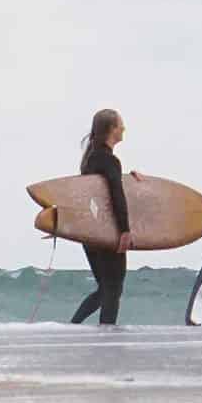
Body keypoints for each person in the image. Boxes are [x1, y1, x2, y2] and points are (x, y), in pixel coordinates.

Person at [70, 108, 134, 325]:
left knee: (105, 289)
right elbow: (116, 194)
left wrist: (133, 181)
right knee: (113, 288)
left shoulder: (91, 159)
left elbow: (98, 195)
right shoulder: (108, 160)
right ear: (111, 129)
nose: (124, 128)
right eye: (120, 125)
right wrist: (124, 229)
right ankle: (107, 334)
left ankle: (72, 326)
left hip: (89, 234)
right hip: (107, 233)